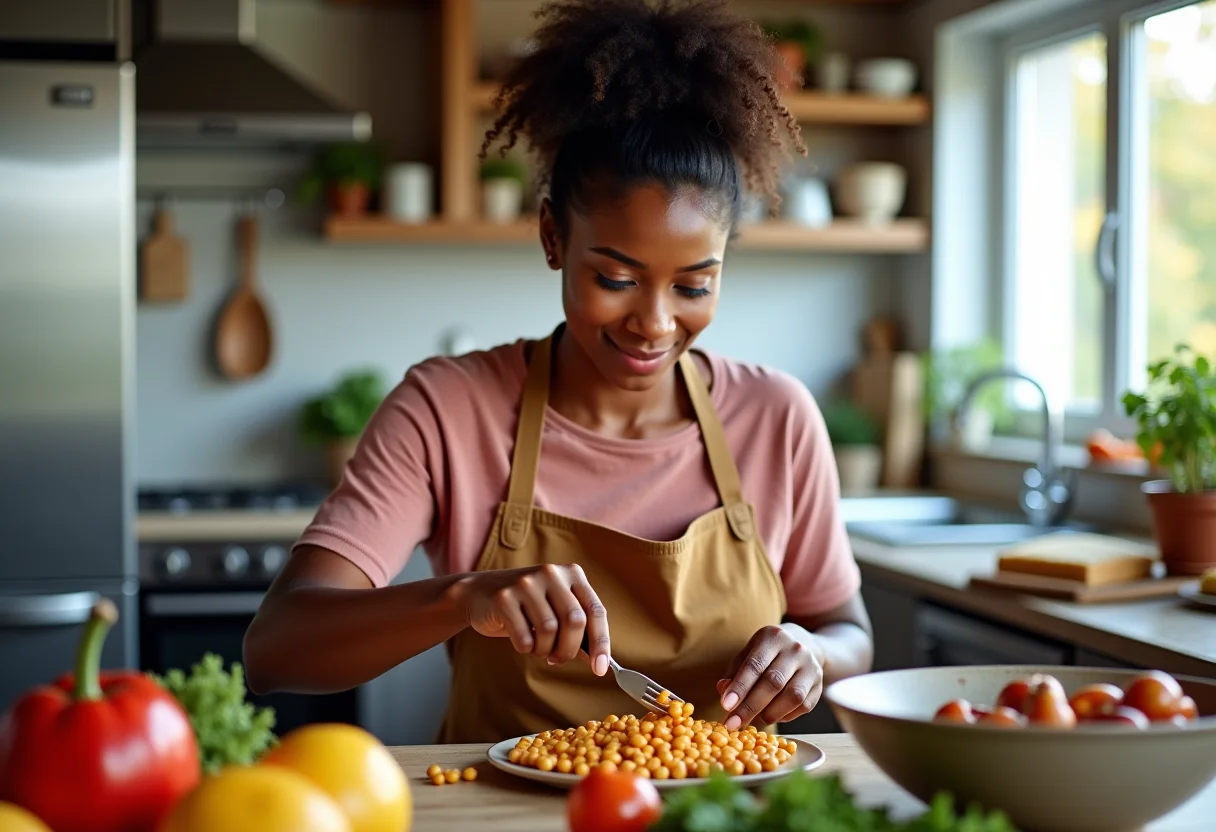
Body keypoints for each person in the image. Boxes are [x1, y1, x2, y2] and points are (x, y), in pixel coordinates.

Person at [244, 0, 873, 745]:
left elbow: (848, 631)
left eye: (695, 286)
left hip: (717, 812)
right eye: (615, 278)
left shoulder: (778, 416)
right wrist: (462, 599)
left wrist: (815, 653)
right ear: (553, 237)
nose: (655, 323)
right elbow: (276, 648)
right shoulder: (449, 408)